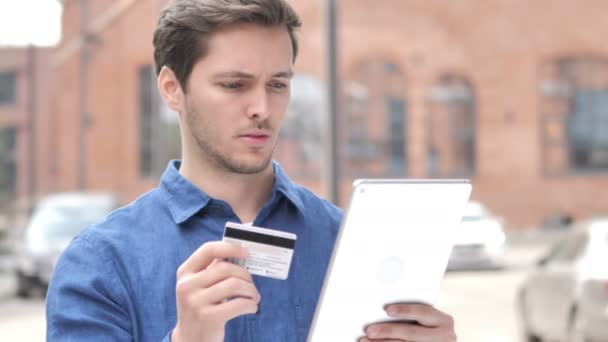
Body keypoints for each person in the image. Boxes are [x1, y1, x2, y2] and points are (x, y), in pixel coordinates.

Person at [46, 0, 457, 341]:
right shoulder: (101, 265)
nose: (262, 107)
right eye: (234, 85)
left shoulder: (347, 244)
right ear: (172, 88)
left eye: (278, 84)